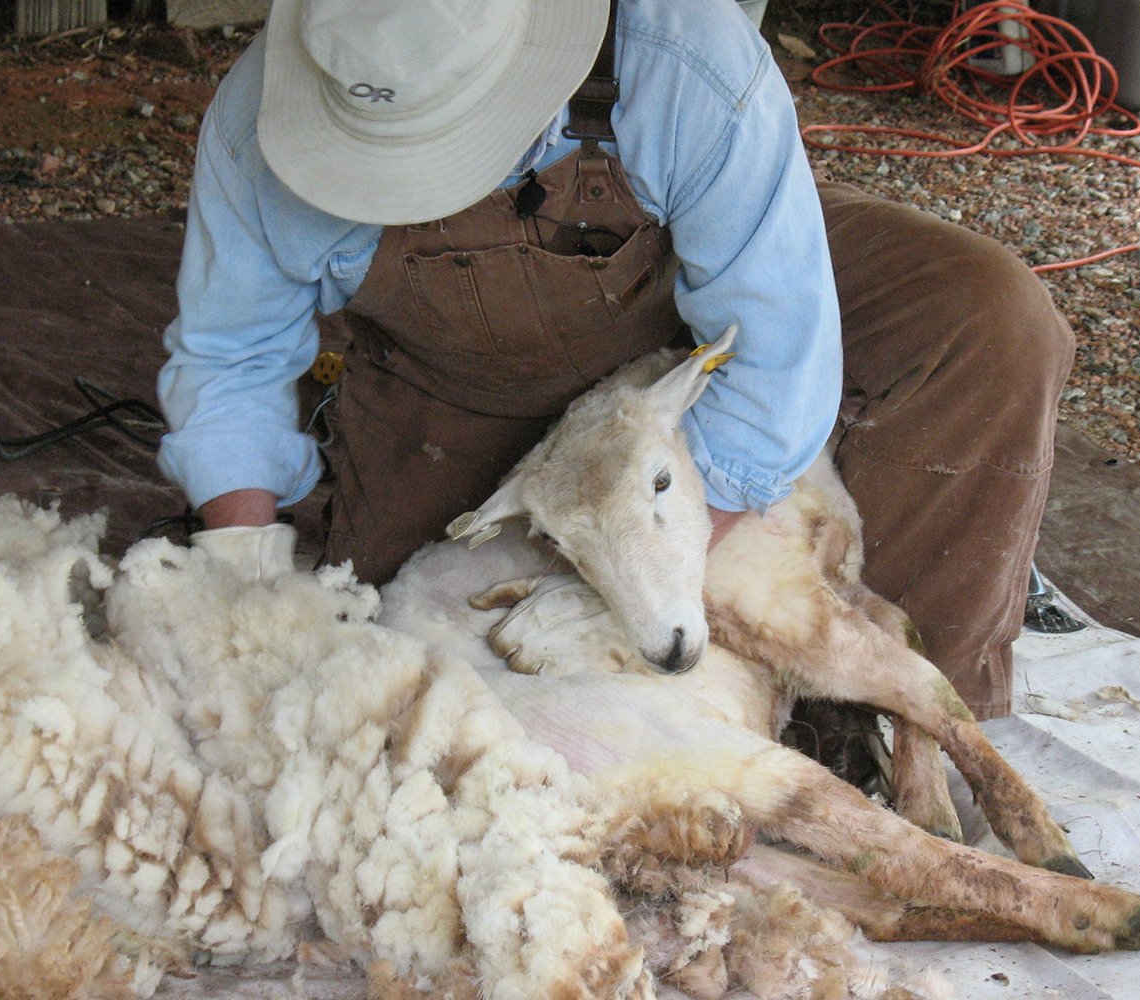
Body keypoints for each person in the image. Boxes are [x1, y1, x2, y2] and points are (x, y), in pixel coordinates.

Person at [155, 0, 1074, 723]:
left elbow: (774, 360)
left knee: (987, 319)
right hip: (466, 392)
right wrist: (243, 586)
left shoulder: (682, 58)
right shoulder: (257, 128)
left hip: (688, 327)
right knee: (431, 678)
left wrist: (633, 581)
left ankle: (891, 712)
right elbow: (230, 361)